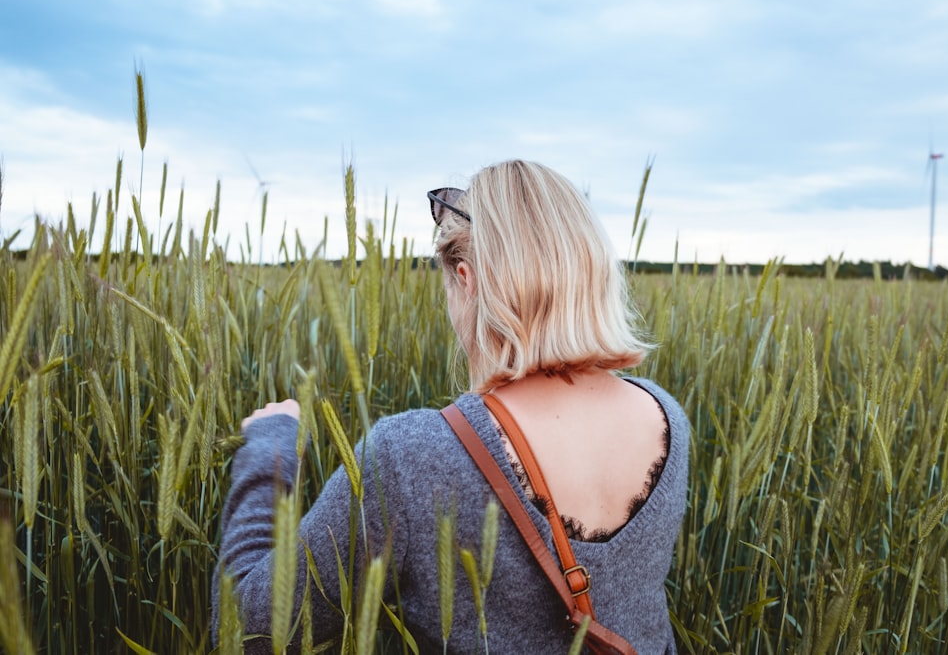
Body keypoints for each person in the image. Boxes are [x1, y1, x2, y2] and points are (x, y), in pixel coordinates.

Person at [212, 159, 690, 653]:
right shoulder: (666, 417)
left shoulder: (411, 457)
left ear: (467, 279)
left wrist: (268, 452)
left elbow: (247, 628)